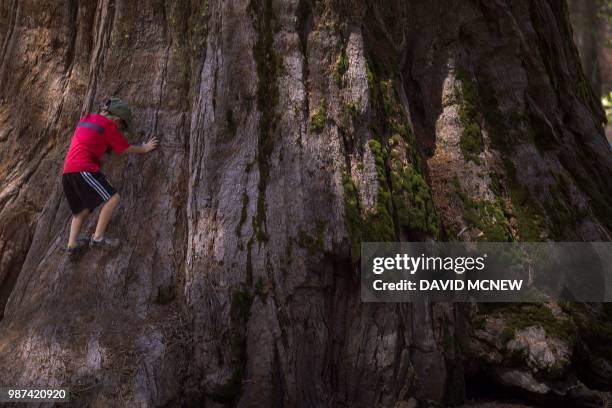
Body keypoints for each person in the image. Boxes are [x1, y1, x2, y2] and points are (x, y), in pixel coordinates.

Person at [61, 97, 158, 260]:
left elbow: (90, 139)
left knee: (82, 210)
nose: (119, 129)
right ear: (116, 119)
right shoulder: (108, 126)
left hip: (68, 172)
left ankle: (72, 246)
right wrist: (145, 148)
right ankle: (98, 238)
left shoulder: (86, 119)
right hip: (84, 169)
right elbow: (124, 148)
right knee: (113, 198)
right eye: (121, 126)